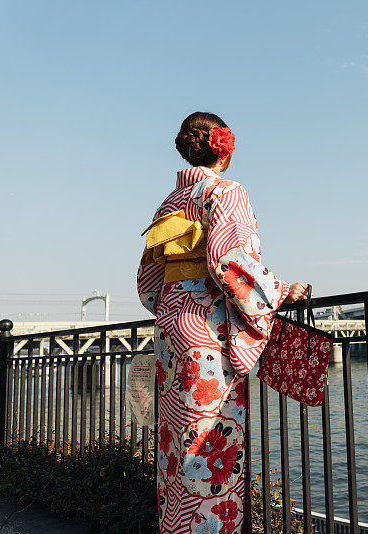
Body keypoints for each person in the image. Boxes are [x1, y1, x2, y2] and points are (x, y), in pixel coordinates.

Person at [137, 111, 308, 534]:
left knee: (175, 441)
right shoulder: (227, 191)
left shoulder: (169, 203)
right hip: (208, 331)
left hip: (172, 327)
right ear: (223, 148)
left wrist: (174, 307)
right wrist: (281, 290)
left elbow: (147, 283)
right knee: (210, 441)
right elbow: (229, 259)